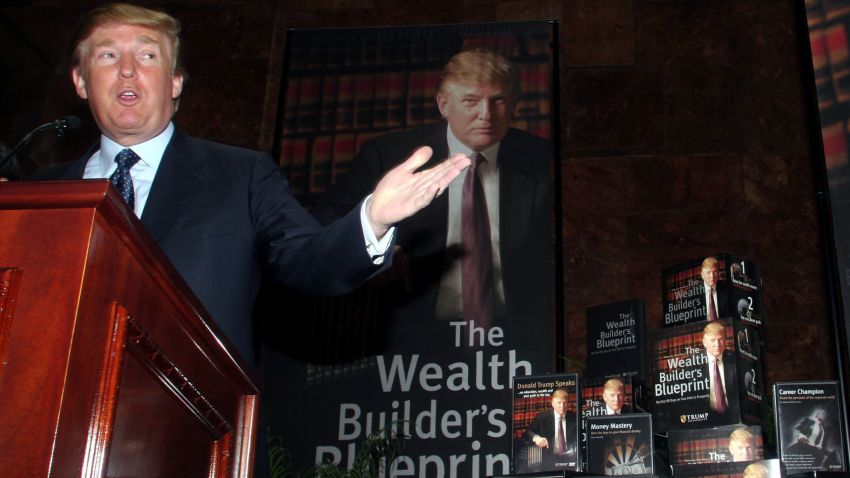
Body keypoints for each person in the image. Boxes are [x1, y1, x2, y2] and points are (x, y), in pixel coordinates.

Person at [28, 2, 470, 363]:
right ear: (81, 81)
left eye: (147, 55)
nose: (127, 70)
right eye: (107, 55)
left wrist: (370, 220)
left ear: (176, 82)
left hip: (187, 418)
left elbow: (307, 262)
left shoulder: (240, 174)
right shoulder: (32, 199)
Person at [311, 49, 551, 337]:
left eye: (498, 100)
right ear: (444, 105)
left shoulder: (543, 159)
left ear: (514, 105)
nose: (486, 115)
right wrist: (373, 246)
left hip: (518, 332)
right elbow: (324, 217)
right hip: (411, 333)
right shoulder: (389, 155)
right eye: (471, 101)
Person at [522, 388, 577, 470]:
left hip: (570, 459)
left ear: (568, 404)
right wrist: (536, 438)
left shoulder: (575, 417)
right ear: (552, 404)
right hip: (548, 459)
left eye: (565, 403)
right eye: (559, 403)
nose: (562, 406)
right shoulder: (542, 417)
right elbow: (527, 432)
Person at [702, 321, 736, 420]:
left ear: (725, 340)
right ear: (704, 342)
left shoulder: (735, 359)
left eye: (720, 339)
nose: (717, 344)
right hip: (705, 418)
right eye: (712, 340)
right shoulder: (691, 363)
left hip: (733, 415)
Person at [701, 256, 725, 321]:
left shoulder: (726, 288)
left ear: (718, 273)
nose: (712, 276)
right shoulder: (693, 293)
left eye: (714, 272)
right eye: (708, 272)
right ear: (702, 275)